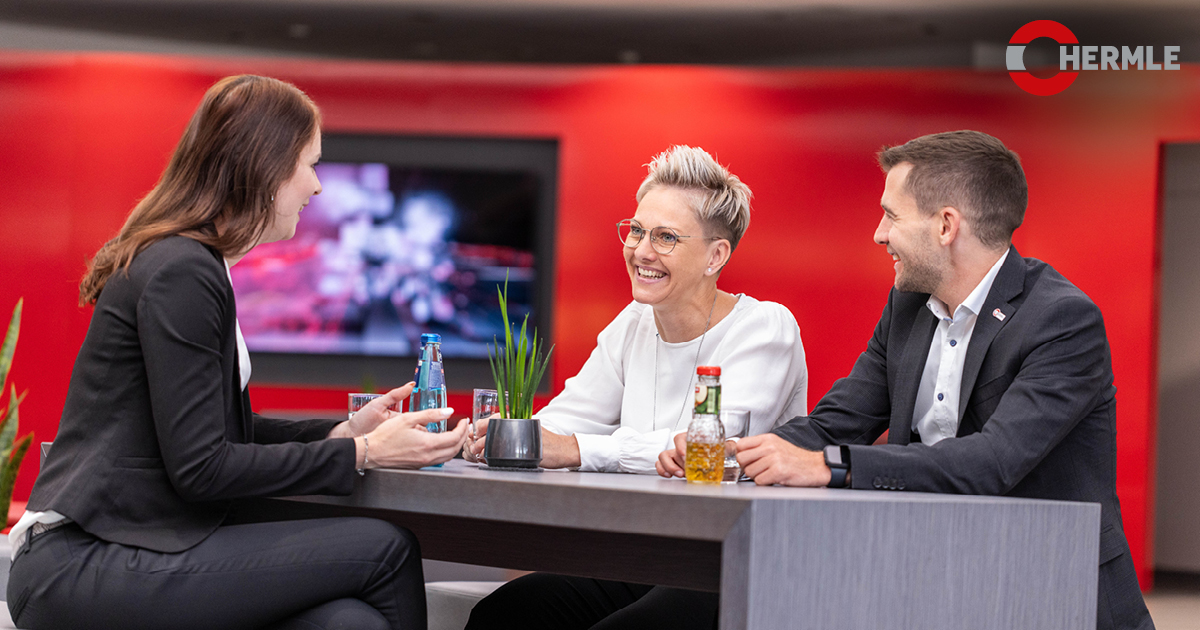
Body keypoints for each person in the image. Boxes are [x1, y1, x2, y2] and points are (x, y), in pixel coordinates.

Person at [8, 75, 468, 630]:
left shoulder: (193, 263)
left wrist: (339, 432)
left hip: (129, 546)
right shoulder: (183, 271)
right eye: (310, 165)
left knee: (349, 622)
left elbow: (220, 435)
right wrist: (363, 452)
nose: (317, 186)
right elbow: (203, 468)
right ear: (265, 167)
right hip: (84, 561)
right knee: (387, 549)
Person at [658, 130, 1154, 630]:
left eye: (891, 216)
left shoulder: (1062, 320)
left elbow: (992, 462)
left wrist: (830, 466)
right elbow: (837, 422)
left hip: (1049, 587)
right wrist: (735, 454)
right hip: (930, 571)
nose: (879, 234)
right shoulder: (908, 306)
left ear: (946, 226)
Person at [465, 145, 808, 629]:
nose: (642, 251)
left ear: (716, 255)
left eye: (666, 237)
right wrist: (502, 437)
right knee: (504, 615)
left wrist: (576, 449)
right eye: (637, 231)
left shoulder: (766, 328)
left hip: (732, 563)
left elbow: (707, 451)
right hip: (644, 554)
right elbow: (567, 418)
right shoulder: (634, 322)